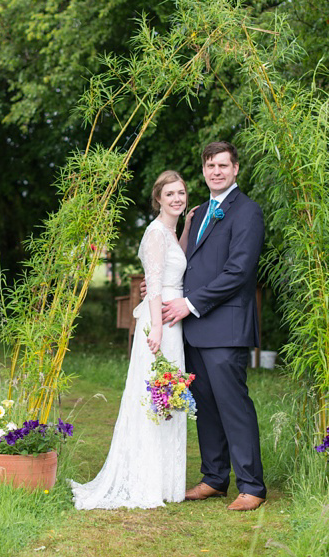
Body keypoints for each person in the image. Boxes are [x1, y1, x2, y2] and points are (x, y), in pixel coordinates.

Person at [70, 171, 194, 509]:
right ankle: (147, 479)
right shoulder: (155, 233)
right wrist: (156, 328)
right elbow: (153, 284)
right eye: (170, 194)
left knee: (168, 395)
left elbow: (174, 265)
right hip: (161, 321)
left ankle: (167, 481)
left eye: (181, 193)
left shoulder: (168, 232)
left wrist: (185, 228)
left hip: (172, 318)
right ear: (158, 199)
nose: (177, 199)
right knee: (154, 395)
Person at [161, 141, 267, 512]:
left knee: (233, 406)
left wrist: (189, 304)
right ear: (204, 170)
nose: (216, 171)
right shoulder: (200, 211)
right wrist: (159, 286)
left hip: (225, 327)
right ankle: (214, 478)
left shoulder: (247, 212)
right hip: (193, 330)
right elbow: (184, 263)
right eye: (210, 166)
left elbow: (238, 272)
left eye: (223, 165)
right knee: (205, 406)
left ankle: (252, 486)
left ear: (236, 169)